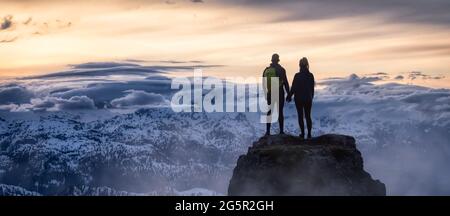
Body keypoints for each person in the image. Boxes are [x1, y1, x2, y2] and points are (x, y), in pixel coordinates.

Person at [286, 57, 315, 139]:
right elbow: (312, 88)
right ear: (307, 65)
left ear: (299, 65)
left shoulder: (297, 75)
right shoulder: (310, 75)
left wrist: (289, 96)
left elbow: (294, 88)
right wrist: (311, 97)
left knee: (300, 116)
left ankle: (302, 134)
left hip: (298, 99)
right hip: (308, 98)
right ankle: (309, 134)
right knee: (308, 116)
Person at [263, 53, 290, 136]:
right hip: (279, 92)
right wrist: (288, 94)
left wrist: (266, 95)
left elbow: (264, 84)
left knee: (269, 112)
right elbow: (285, 82)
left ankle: (268, 132)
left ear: (272, 60)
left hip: (270, 92)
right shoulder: (281, 69)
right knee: (280, 112)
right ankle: (281, 131)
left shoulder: (266, 70)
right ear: (278, 60)